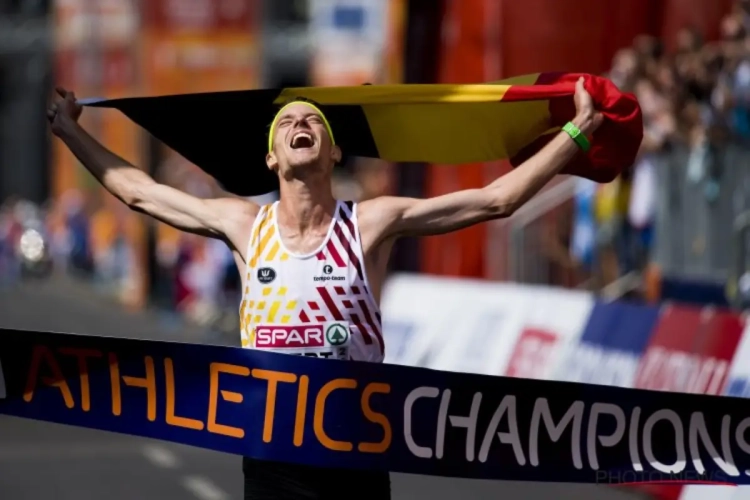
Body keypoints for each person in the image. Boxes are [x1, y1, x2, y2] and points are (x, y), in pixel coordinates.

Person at [47, 78, 602, 500]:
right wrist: (72, 131)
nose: (298, 125)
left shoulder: (371, 222)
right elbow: (141, 194)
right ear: (271, 157)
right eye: (286, 123)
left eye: (312, 120)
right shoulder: (246, 226)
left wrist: (575, 135)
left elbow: (494, 201)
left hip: (354, 448)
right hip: (271, 452)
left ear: (333, 152)